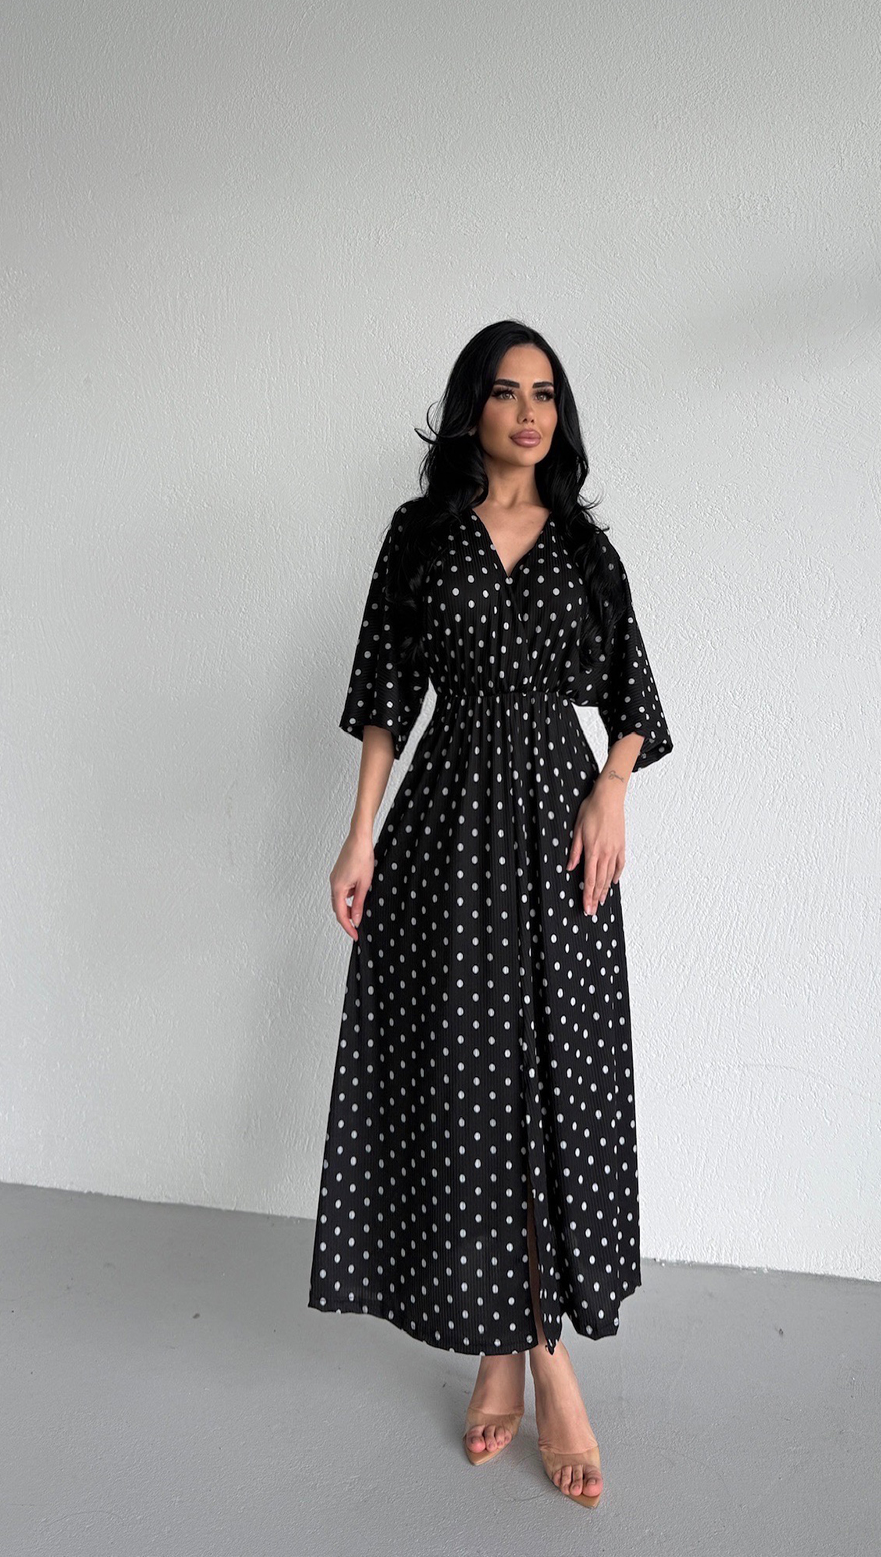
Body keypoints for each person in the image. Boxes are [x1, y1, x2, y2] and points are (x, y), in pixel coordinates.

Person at [309, 319, 673, 1509]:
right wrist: (359, 834)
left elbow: (633, 697)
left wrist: (612, 789)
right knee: (468, 1085)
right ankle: (519, 1357)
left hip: (559, 832)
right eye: (508, 392)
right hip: (445, 833)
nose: (529, 412)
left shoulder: (584, 549)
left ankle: (529, 1358)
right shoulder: (419, 536)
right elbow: (385, 696)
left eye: (547, 394)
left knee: (551, 1079)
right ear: (473, 407)